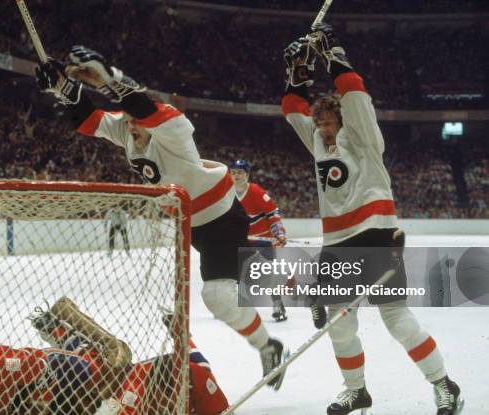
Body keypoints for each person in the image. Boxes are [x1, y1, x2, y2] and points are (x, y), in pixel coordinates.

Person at [33, 46, 288, 389]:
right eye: (128, 122)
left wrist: (109, 79)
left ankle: (269, 345)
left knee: (217, 297)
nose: (130, 128)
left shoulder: (175, 130)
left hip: (223, 219)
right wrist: (64, 89)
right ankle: (267, 317)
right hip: (192, 224)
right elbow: (89, 120)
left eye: (136, 121)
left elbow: (143, 107)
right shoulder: (129, 128)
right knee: (219, 295)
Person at [281, 23, 463, 415]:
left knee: (396, 317)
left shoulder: (363, 137)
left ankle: (443, 383)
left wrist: (333, 56)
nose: (323, 129)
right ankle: (356, 390)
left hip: (375, 234)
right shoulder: (318, 144)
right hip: (336, 244)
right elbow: (294, 111)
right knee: (340, 323)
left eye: (329, 122)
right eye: (321, 124)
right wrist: (297, 74)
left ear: (343, 122)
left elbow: (355, 92)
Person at [0, 297, 228, 415]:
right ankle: (63, 327)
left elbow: (52, 364)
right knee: (105, 358)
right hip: (81, 383)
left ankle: (61, 324)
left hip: (74, 379)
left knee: (106, 357)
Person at [229, 159, 288, 322]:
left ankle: (277, 304)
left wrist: (279, 232)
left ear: (247, 175)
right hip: (243, 242)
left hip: (263, 240)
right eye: (233, 173)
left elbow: (273, 214)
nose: (236, 176)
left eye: (240, 172)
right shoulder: (227, 193)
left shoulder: (256, 191)